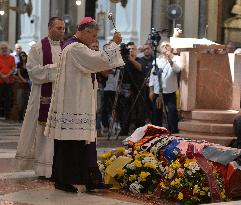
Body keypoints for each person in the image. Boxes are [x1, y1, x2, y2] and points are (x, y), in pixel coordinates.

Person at [44, 17, 124, 193]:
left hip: (78, 102)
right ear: (85, 31)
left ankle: (88, 179)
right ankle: (64, 180)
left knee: (81, 143)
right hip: (74, 104)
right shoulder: (75, 48)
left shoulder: (74, 47)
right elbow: (99, 60)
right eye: (93, 35)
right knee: (70, 145)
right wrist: (113, 43)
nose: (94, 39)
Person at [15, 17, 65, 179]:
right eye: (58, 28)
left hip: (61, 98)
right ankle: (44, 169)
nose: (62, 31)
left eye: (63, 28)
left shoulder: (67, 48)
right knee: (43, 132)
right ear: (50, 28)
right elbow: (34, 72)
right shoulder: (37, 48)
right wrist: (56, 70)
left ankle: (58, 166)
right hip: (41, 97)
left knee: (58, 133)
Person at [151, 41, 182, 133]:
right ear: (160, 49)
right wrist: (151, 90)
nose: (165, 47)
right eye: (163, 46)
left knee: (172, 112)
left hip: (170, 90)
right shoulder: (157, 60)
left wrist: (170, 60)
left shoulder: (177, 58)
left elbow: (178, 70)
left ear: (171, 48)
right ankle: (158, 133)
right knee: (157, 113)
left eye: (167, 45)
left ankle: (173, 132)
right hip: (158, 92)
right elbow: (152, 76)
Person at [0, 42, 16, 119]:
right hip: (0, 81)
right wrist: (3, 76)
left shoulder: (11, 58)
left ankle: (7, 115)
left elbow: (13, 68)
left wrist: (7, 75)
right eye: (2, 48)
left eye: (5, 48)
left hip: (9, 81)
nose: (4, 49)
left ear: (8, 49)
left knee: (8, 98)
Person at [16, 51, 30, 121]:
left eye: (24, 55)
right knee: (20, 100)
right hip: (21, 83)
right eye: (21, 56)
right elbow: (18, 73)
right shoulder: (19, 64)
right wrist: (23, 80)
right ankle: (20, 116)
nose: (23, 57)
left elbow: (31, 72)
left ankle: (25, 116)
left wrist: (28, 80)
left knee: (27, 100)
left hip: (28, 84)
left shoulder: (29, 64)